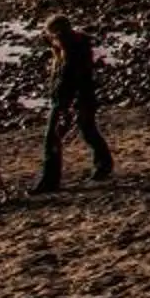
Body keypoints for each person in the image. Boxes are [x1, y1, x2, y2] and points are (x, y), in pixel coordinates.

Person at [33, 12, 113, 193]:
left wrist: (63, 104)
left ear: (58, 34)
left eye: (52, 35)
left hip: (69, 100)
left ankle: (49, 181)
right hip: (82, 98)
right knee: (88, 131)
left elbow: (67, 80)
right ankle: (104, 164)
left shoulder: (70, 51)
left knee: (52, 139)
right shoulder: (75, 45)